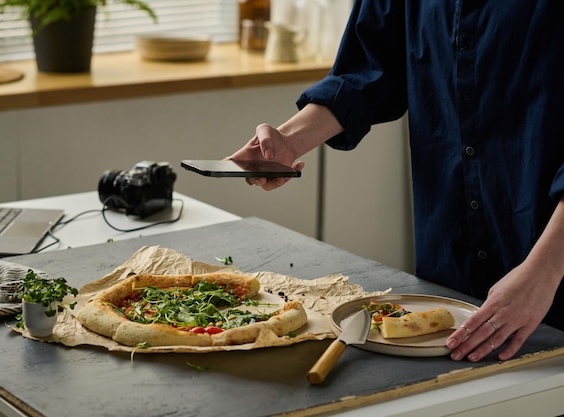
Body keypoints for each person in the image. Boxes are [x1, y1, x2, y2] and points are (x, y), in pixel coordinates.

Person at [229, 1, 564, 362]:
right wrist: (287, 141)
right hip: (451, 260)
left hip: (552, 271)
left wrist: (545, 270)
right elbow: (371, 69)